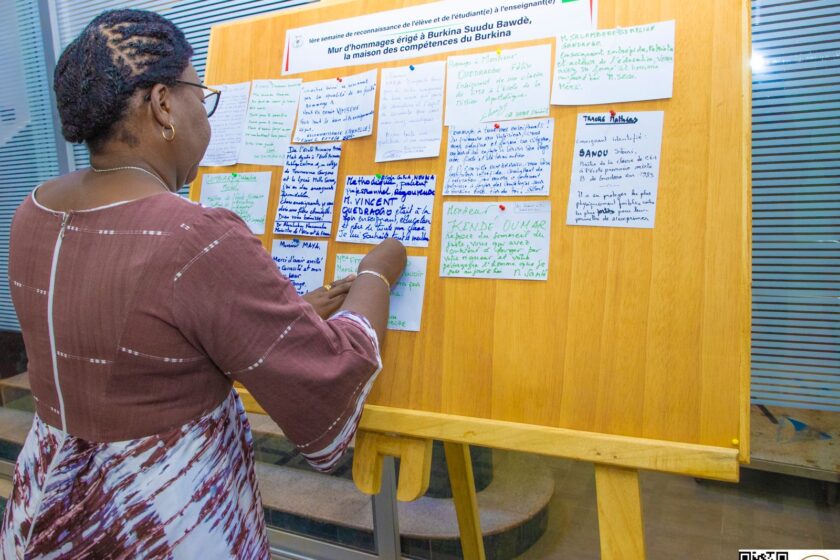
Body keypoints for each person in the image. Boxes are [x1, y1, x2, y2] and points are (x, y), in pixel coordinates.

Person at [0, 9, 406, 559]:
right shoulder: (195, 236)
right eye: (200, 95)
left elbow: (140, 345)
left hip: (47, 512)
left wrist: (281, 316)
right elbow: (330, 392)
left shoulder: (33, 210)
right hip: (158, 520)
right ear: (164, 104)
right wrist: (376, 275)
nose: (205, 116)